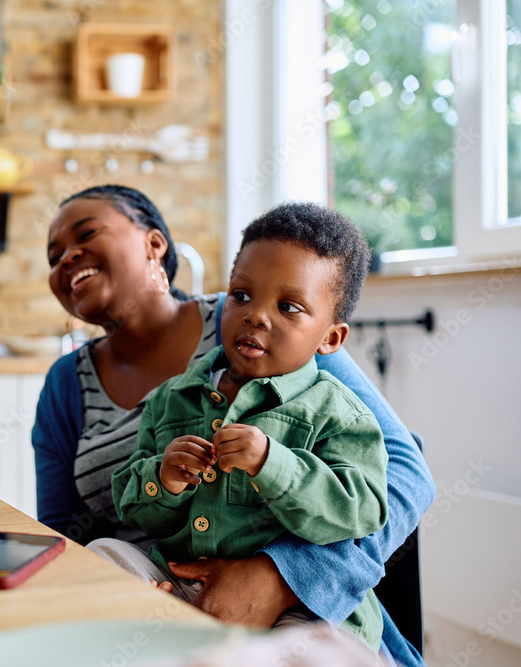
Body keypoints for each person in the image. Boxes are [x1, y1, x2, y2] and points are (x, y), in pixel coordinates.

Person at [34, 185, 435, 666]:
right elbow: (63, 538)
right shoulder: (85, 387)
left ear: (154, 245)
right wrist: (160, 491)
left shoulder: (273, 340)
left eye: (87, 233)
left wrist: (281, 578)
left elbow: (400, 478)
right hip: (161, 591)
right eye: (54, 255)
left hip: (298, 605)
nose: (67, 258)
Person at [97, 202, 387, 651]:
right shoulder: (171, 399)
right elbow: (134, 512)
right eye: (241, 295)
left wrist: (276, 465)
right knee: (102, 558)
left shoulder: (340, 414)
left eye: (288, 306)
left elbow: (359, 512)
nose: (256, 315)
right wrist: (164, 479)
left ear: (331, 338)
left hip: (295, 605)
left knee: (320, 652)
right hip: (181, 585)